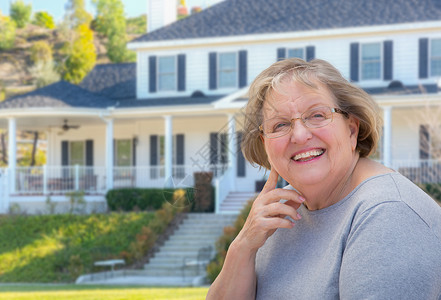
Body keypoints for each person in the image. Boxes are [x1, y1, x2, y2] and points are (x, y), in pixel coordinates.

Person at [206, 58, 441, 299]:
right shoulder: (277, 218)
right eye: (280, 125)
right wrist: (243, 246)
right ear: (265, 144)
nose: (299, 135)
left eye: (317, 115)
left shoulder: (388, 213)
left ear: (351, 129)